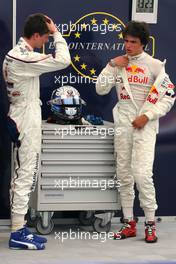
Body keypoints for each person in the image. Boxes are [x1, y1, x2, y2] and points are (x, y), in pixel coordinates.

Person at [96, 21, 175, 243]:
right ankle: (129, 223)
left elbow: (168, 97)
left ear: (143, 44)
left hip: (145, 126)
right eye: (126, 41)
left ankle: (150, 224)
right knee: (124, 175)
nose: (128, 46)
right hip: (123, 126)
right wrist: (111, 64)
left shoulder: (156, 66)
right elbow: (100, 88)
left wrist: (147, 116)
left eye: (133, 42)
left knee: (142, 175)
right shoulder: (118, 63)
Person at [3, 13, 71, 250]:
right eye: (44, 38)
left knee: (24, 171)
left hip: (22, 112)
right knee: (25, 173)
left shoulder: (17, 54)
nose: (45, 42)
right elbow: (63, 60)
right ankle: (17, 232)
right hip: (24, 116)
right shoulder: (24, 57)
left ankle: (19, 228)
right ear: (35, 35)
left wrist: (50, 33)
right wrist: (57, 33)